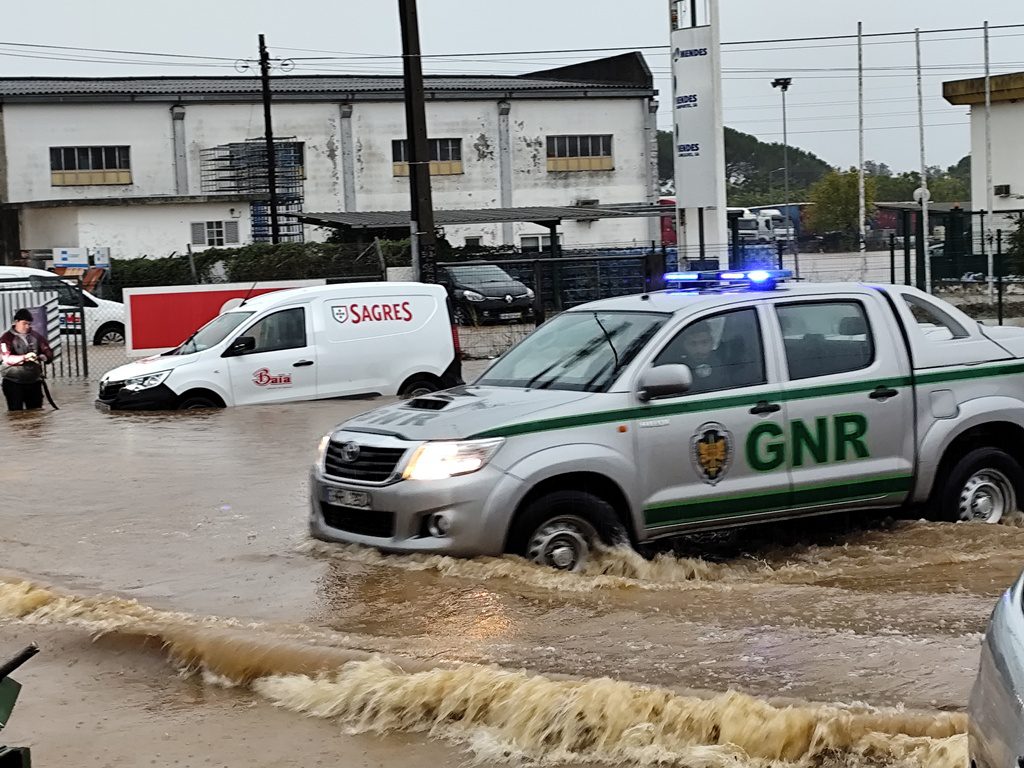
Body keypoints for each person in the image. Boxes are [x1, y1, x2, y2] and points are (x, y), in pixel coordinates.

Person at [1, 309, 53, 411]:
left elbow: (48, 351)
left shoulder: (36, 336)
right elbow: (6, 358)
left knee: (36, 414)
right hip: (13, 382)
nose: (27, 326)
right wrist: (25, 357)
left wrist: (44, 357)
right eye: (24, 323)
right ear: (16, 322)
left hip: (34, 381)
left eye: (29, 324)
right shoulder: (6, 338)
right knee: (16, 414)